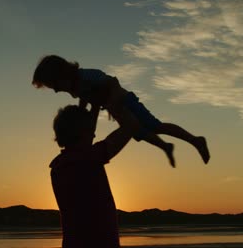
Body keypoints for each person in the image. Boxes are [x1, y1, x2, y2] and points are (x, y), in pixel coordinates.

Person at [33, 55, 210, 167]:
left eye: (54, 85)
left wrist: (113, 103)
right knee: (139, 133)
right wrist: (84, 122)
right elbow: (88, 102)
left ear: (62, 74)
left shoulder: (83, 76)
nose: (55, 91)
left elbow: (113, 82)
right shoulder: (75, 87)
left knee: (154, 126)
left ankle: (195, 140)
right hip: (114, 106)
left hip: (124, 100)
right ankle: (165, 146)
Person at [50, 103, 138, 248]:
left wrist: (96, 106)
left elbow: (83, 138)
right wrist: (114, 104)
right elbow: (130, 126)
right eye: (90, 130)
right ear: (81, 132)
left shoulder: (58, 167)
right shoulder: (89, 158)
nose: (94, 133)